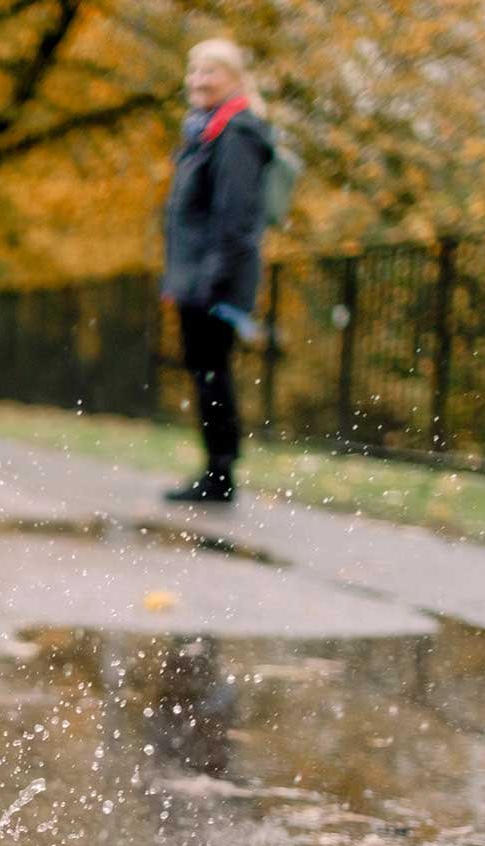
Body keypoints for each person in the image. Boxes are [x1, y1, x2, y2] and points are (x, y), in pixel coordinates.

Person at [160, 38, 274, 504]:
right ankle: (217, 469)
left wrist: (210, 282)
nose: (199, 80)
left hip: (214, 281)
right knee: (205, 370)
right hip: (197, 277)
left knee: (212, 372)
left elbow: (235, 217)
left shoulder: (237, 133)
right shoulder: (207, 131)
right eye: (195, 70)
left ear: (235, 79)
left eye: (210, 71)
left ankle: (221, 473)